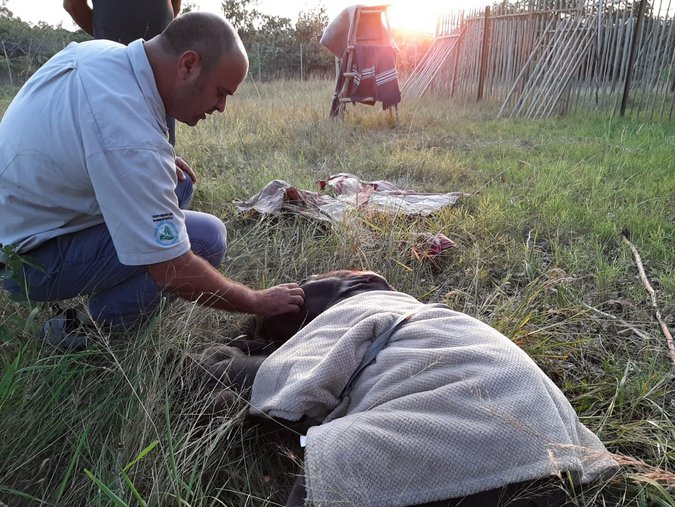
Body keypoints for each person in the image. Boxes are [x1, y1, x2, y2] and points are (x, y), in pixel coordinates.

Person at [0, 12, 304, 348]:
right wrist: (256, 301)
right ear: (188, 65)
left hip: (23, 220)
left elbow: (92, 135)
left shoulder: (104, 56)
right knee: (206, 239)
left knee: (179, 183)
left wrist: (146, 164)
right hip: (25, 264)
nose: (222, 107)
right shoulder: (128, 138)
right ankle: (80, 330)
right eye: (220, 92)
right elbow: (172, 267)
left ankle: (112, 278)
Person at [63, 0, 182, 145]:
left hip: (130, 62)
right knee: (156, 146)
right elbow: (73, 5)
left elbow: (73, 6)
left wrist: (104, 36)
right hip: (155, 62)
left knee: (118, 144)